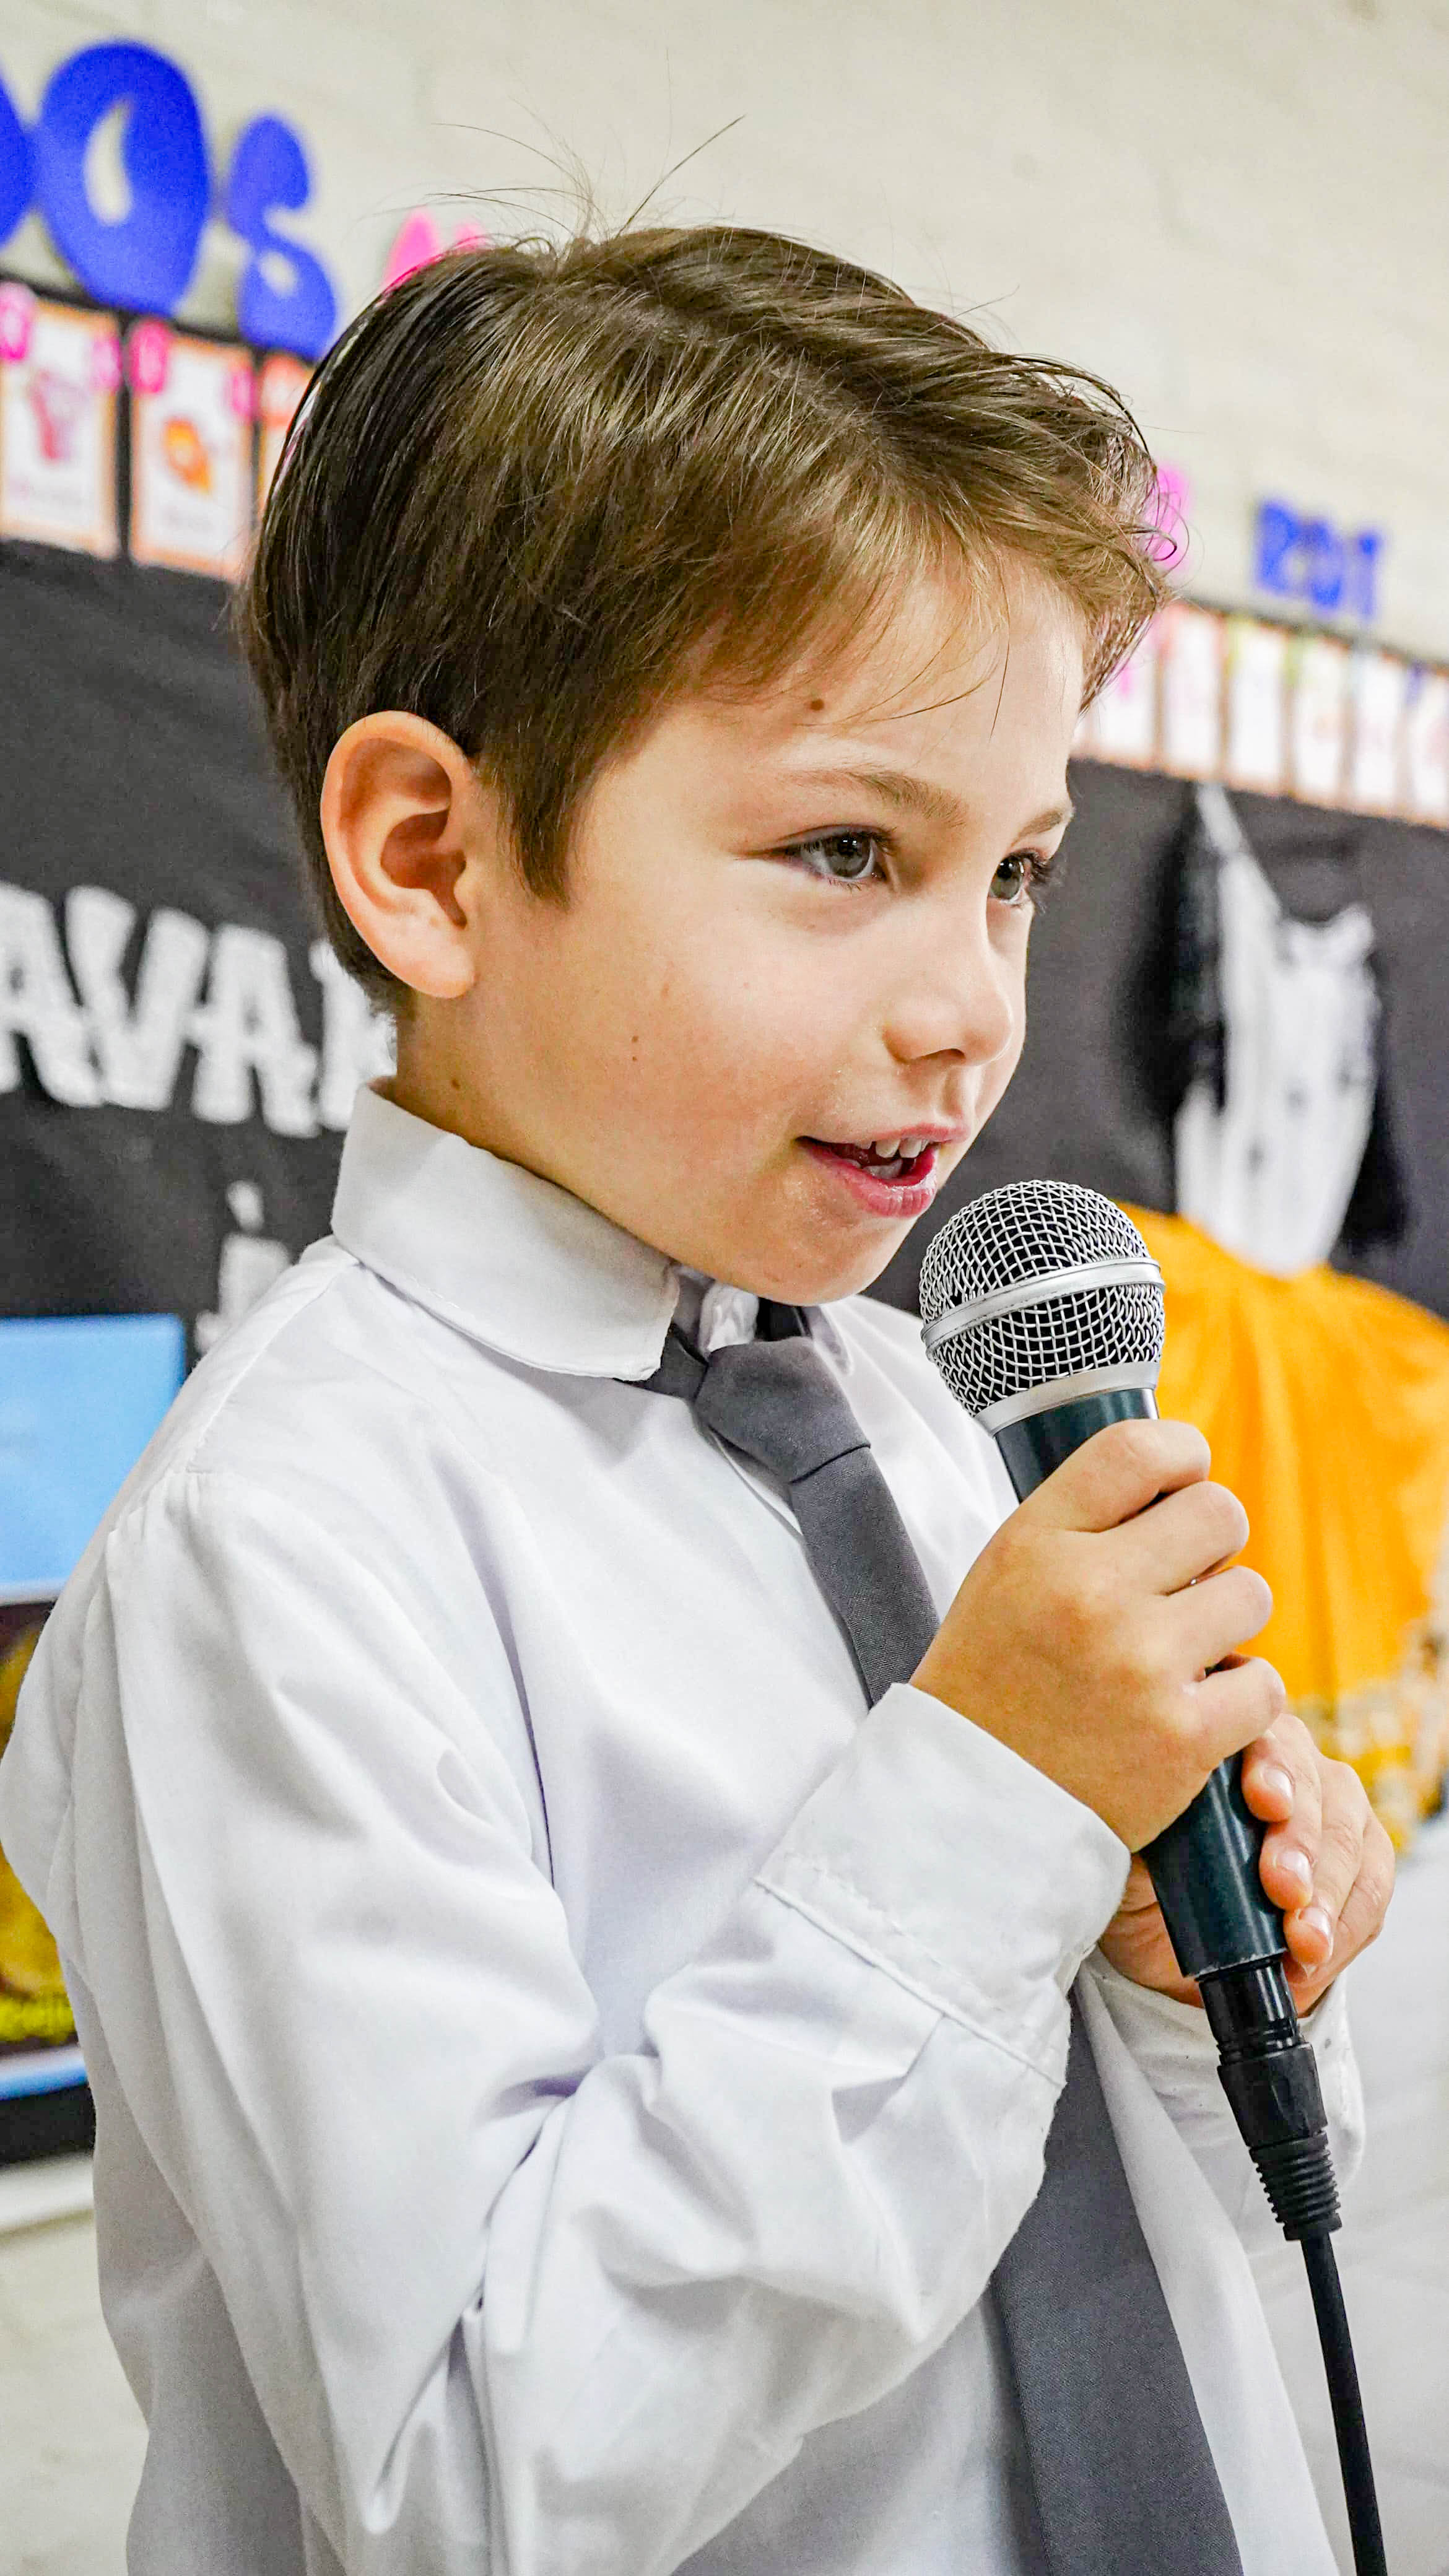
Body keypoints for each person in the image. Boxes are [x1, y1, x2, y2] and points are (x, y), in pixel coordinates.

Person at [0, 227, 1394, 2575]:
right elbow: (474, 2477)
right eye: (847, 853)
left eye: (1014, 874)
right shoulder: (283, 1549)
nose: (973, 1006)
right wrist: (989, 1801)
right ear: (433, 860)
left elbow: (1171, 2226)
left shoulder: (926, 1416)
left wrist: (1187, 1969)